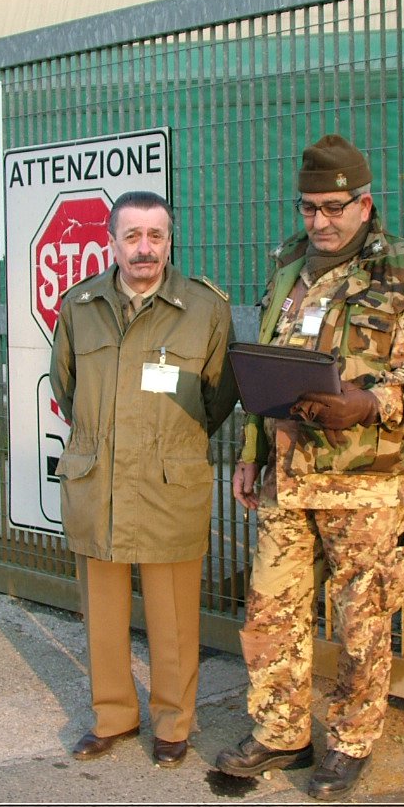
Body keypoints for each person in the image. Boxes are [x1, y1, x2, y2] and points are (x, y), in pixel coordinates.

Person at [214, 134, 404, 800]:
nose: (320, 222)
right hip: (287, 479)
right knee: (271, 610)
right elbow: (265, 360)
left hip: (367, 487)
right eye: (309, 208)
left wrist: (367, 403)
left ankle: (350, 740)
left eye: (333, 207)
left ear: (364, 203)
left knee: (361, 623)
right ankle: (280, 730)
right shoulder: (290, 266)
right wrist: (250, 454)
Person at [49, 190, 238, 769]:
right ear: (112, 242)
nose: (144, 249)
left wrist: (166, 442)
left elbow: (219, 396)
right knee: (102, 612)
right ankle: (112, 716)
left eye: (156, 236)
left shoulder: (205, 310)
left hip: (167, 481)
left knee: (173, 615)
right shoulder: (79, 305)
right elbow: (67, 387)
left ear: (170, 239)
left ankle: (173, 725)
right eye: (132, 236)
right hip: (100, 482)